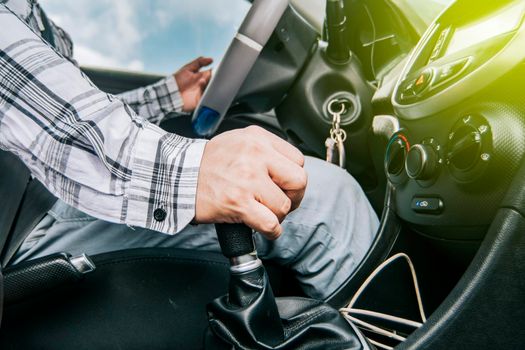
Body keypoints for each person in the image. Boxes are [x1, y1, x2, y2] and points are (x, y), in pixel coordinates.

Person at [0, 0, 379, 299]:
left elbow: (48, 119)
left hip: (41, 201)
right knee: (326, 200)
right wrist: (194, 172)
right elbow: (39, 105)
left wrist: (168, 96)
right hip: (23, 222)